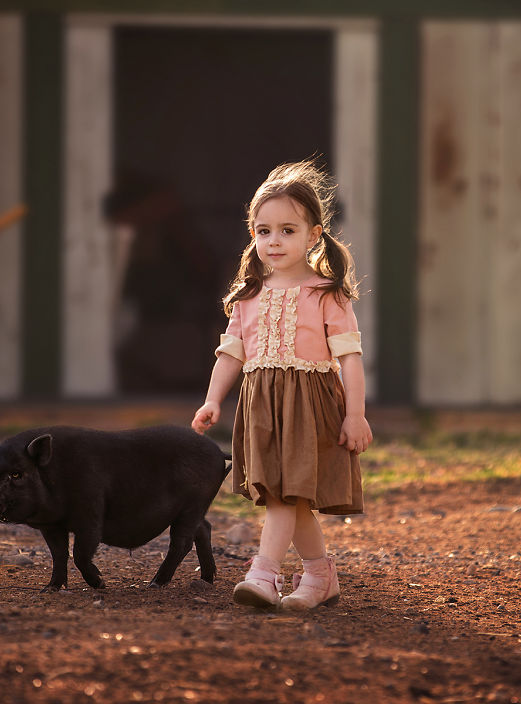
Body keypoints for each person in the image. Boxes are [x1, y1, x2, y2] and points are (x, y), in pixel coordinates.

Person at [191, 160, 372, 610]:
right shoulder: (248, 295)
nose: (274, 241)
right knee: (286, 494)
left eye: (288, 230)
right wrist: (213, 400)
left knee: (286, 494)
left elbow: (349, 358)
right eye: (263, 230)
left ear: (313, 235)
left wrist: (355, 414)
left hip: (310, 407)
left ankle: (264, 573)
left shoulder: (326, 293)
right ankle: (319, 575)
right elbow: (232, 353)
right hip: (261, 407)